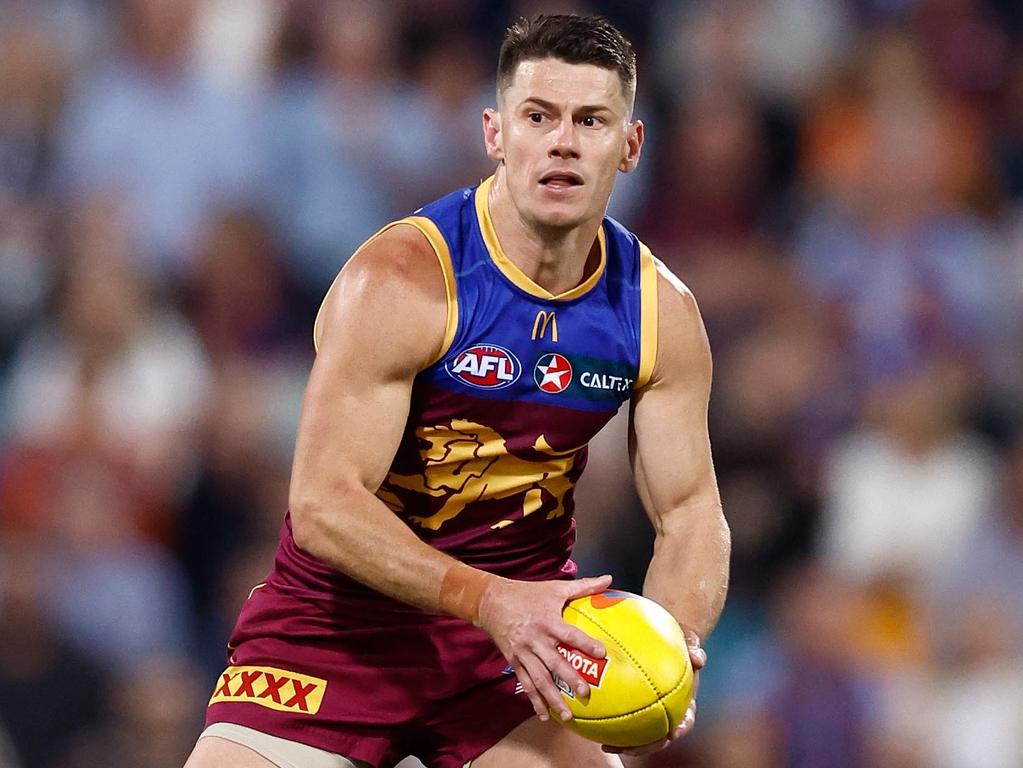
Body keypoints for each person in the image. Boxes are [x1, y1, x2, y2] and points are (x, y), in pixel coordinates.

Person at [185, 13, 730, 768]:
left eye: (591, 120)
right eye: (537, 117)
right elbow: (321, 503)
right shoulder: (403, 280)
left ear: (630, 146)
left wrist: (671, 644)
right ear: (495, 134)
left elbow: (689, 510)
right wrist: (489, 601)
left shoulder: (657, 312)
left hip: (515, 655)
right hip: (335, 636)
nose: (562, 141)